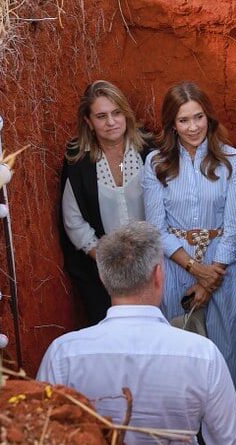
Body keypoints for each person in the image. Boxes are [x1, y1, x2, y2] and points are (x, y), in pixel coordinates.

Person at [38, 222, 236, 445]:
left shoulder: (63, 355)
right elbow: (233, 441)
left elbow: (39, 433)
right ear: (159, 275)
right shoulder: (202, 355)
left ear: (103, 277)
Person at [142, 81, 236, 432]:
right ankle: (188, 431)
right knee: (182, 351)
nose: (193, 127)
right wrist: (195, 269)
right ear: (171, 124)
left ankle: (230, 430)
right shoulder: (156, 162)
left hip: (224, 266)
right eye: (183, 120)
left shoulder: (231, 159)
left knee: (228, 352)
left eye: (198, 117)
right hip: (175, 268)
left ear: (209, 117)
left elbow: (235, 225)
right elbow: (156, 227)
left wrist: (211, 277)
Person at [59, 80, 151, 326]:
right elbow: (73, 220)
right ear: (89, 122)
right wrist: (106, 259)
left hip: (153, 263)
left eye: (116, 113)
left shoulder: (148, 152)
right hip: (103, 273)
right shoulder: (78, 162)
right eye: (101, 116)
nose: (111, 122)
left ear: (126, 114)